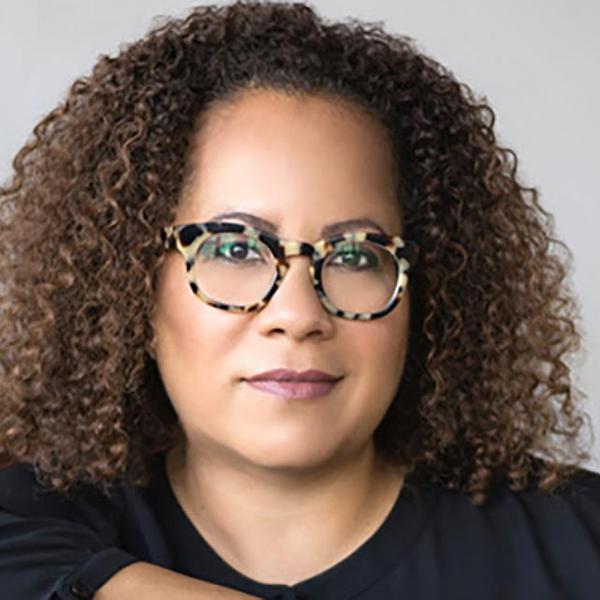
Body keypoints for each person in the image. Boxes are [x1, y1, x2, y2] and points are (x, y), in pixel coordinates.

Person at [0, 1, 598, 599]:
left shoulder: (579, 545)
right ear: (134, 283)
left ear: (427, 289)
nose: (297, 315)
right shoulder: (31, 524)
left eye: (356, 256)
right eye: (234, 249)